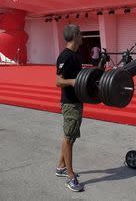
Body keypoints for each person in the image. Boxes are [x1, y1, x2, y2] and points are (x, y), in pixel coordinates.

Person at [55, 24, 84, 192]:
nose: (82, 37)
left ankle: (61, 167)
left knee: (70, 136)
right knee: (68, 138)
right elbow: (58, 81)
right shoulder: (65, 56)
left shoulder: (76, 55)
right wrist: (73, 82)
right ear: (75, 35)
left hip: (77, 101)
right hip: (70, 103)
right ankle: (70, 176)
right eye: (80, 34)